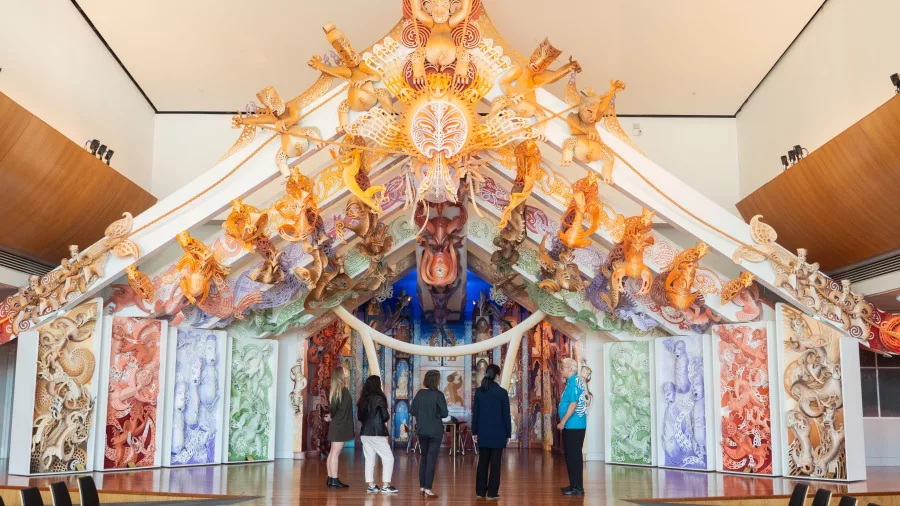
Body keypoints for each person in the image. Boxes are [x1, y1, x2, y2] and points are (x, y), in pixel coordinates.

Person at [472, 364, 511, 500]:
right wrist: (508, 434)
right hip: (498, 434)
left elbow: (475, 414)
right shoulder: (502, 392)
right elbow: (506, 415)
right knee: (495, 464)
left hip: (483, 433)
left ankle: (480, 492)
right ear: (498, 376)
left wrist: (474, 432)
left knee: (482, 462)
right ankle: (492, 493)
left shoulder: (478, 391)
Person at [357, 375, 398, 494]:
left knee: (369, 459)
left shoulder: (362, 399)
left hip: (365, 433)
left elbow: (360, 418)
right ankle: (386, 485)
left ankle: (371, 485)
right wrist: (388, 413)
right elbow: (385, 417)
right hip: (377, 432)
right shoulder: (380, 398)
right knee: (388, 458)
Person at [410, 369, 448, 499]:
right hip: (435, 431)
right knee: (431, 459)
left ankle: (422, 487)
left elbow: (412, 410)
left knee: (424, 458)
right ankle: (428, 489)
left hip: (422, 430)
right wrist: (435, 413)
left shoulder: (420, 393)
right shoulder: (439, 395)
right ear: (437, 381)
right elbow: (445, 413)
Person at [557, 358, 589, 496]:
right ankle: (574, 484)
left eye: (563, 367)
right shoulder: (570, 382)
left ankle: (578, 487)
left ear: (570, 368)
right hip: (571, 426)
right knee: (570, 456)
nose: (561, 370)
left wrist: (563, 422)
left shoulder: (575, 382)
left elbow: (573, 404)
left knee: (574, 456)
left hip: (574, 426)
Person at [325, 366, 353, 489]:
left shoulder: (339, 390)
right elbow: (334, 409)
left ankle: (331, 479)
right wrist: (332, 416)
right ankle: (334, 479)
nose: (347, 371)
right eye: (345, 370)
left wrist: (331, 416)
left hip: (337, 424)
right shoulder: (342, 390)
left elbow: (334, 409)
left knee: (333, 453)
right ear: (341, 375)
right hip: (340, 425)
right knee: (335, 453)